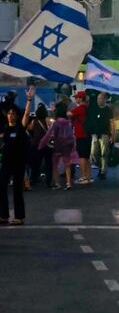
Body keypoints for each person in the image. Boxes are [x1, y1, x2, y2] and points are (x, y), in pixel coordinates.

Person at [0, 87, 33, 225]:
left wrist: (29, 100)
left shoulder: (20, 127)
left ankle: (19, 217)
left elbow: (26, 114)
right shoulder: (5, 130)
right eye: (9, 113)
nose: (11, 115)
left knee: (17, 190)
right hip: (7, 162)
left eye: (13, 113)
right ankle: (3, 215)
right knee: (1, 186)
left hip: (19, 163)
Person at [40, 101, 78, 190]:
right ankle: (68, 183)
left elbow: (51, 134)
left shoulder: (57, 122)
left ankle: (57, 184)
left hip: (58, 145)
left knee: (55, 165)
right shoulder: (68, 122)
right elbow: (71, 134)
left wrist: (42, 143)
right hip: (67, 145)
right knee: (67, 164)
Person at [86, 92, 114, 180]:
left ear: (105, 99)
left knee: (104, 153)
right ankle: (100, 166)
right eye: (98, 99)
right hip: (95, 133)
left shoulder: (108, 110)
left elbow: (112, 123)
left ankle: (103, 171)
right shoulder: (94, 109)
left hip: (105, 133)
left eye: (101, 98)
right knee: (93, 153)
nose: (99, 100)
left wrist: (113, 135)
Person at [69, 91, 92, 185]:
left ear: (80, 98)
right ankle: (88, 176)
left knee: (82, 157)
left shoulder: (79, 108)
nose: (75, 99)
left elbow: (69, 114)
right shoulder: (87, 108)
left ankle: (83, 177)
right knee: (86, 157)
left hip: (81, 135)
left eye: (76, 97)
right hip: (88, 135)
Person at [26, 102, 50, 188]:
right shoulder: (47, 120)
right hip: (47, 144)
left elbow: (30, 128)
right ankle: (49, 180)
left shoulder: (34, 121)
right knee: (48, 163)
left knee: (35, 163)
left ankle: (34, 178)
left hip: (37, 144)